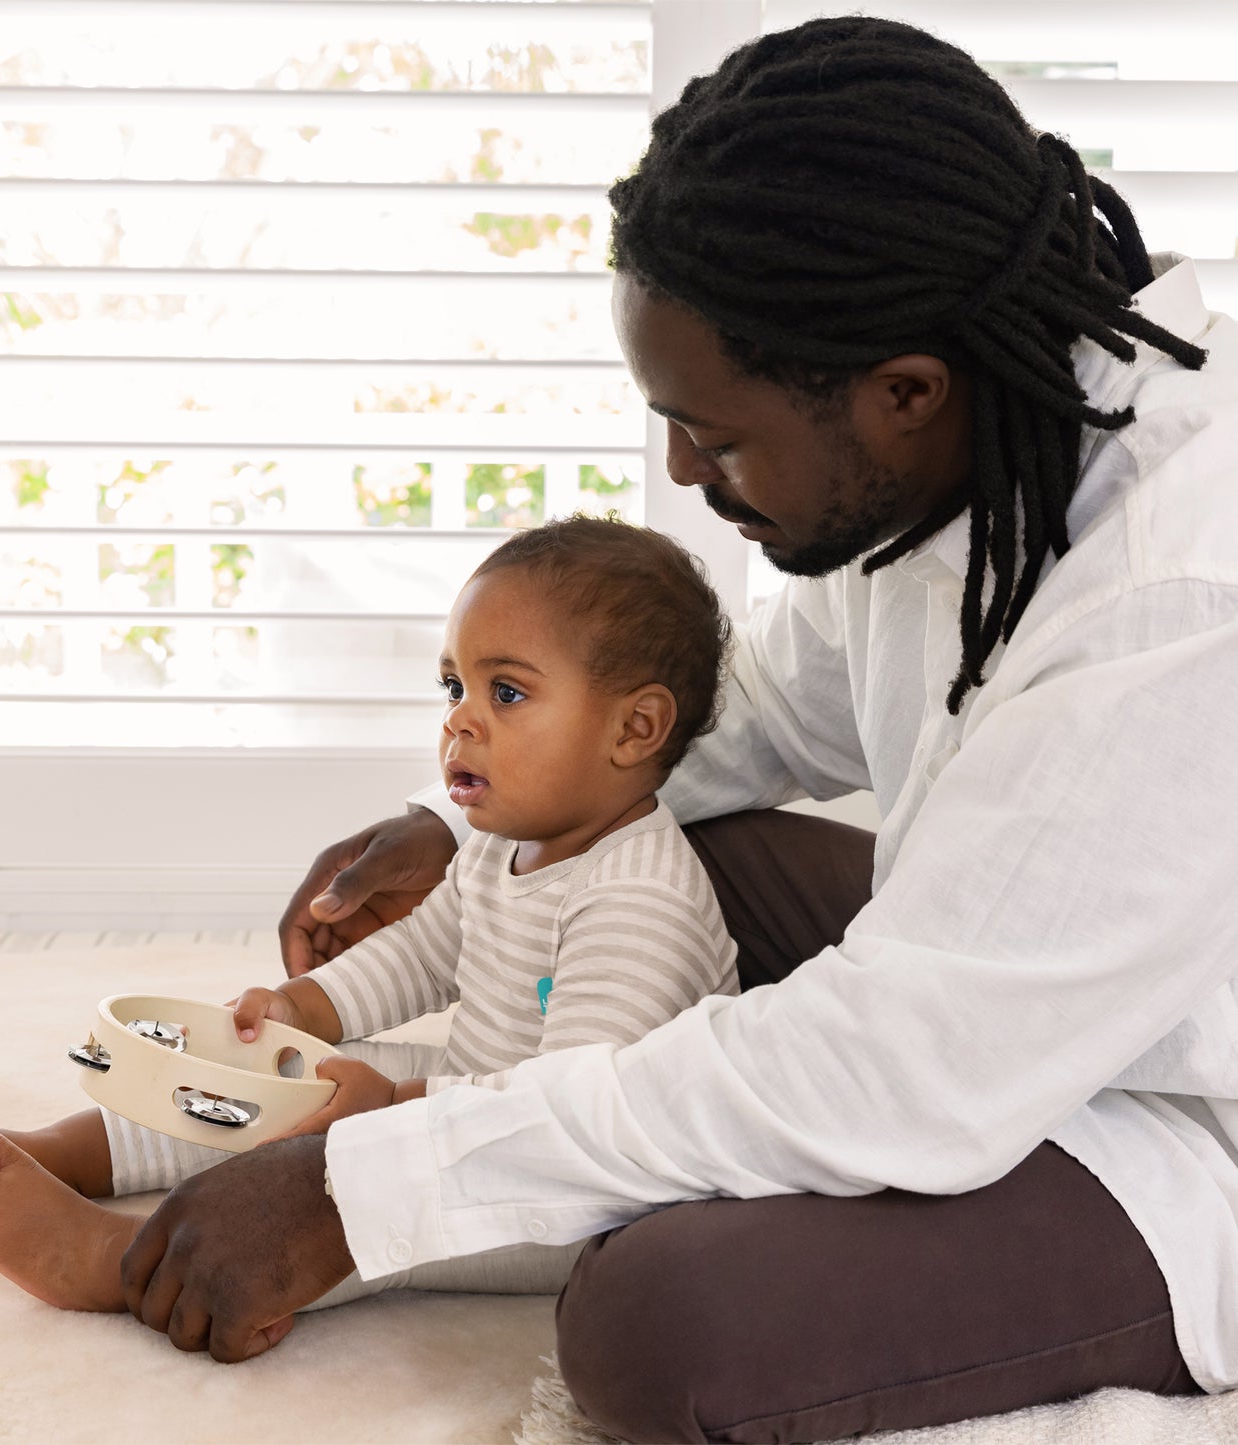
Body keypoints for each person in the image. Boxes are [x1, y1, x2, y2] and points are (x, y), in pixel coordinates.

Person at [103, 14, 1238, 1444]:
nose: (682, 468)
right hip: (1015, 1004)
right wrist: (462, 822)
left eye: (718, 431)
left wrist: (369, 1184)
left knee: (665, 1322)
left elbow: (900, 1063)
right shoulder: (983, 439)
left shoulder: (1180, 597)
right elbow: (748, 714)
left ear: (903, 391)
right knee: (690, 838)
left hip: (1185, 1117)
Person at [0, 515, 741, 1317]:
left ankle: (114, 1259)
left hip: (567, 1191)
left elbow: (569, 1108)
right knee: (296, 1079)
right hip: (471, 1092)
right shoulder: (500, 841)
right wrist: (303, 1014)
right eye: (452, 685)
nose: (459, 722)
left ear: (634, 727)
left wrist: (394, 1109)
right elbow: (422, 956)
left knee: (363, 1192)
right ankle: (66, 1148)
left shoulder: (638, 900)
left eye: (505, 693)